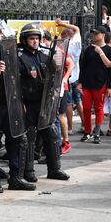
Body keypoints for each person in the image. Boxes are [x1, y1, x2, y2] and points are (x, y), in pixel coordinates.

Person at [0, 15, 35, 192]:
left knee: (18, 138)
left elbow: (14, 77)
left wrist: (20, 100)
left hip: (9, 102)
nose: (1, 33)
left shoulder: (3, 50)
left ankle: (16, 178)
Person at [18, 23, 70, 183]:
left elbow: (54, 75)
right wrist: (20, 103)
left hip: (44, 102)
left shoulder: (45, 55)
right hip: (28, 102)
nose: (34, 41)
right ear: (25, 39)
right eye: (31, 38)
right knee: (29, 136)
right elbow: (14, 83)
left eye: (37, 38)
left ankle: (54, 169)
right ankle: (28, 171)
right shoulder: (19, 57)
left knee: (52, 133)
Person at [77, 26, 111, 144]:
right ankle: (87, 132)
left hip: (101, 84)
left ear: (103, 35)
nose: (94, 35)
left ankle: (97, 132)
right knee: (87, 108)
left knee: (99, 108)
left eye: (97, 33)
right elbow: (83, 67)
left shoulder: (109, 50)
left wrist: (110, 86)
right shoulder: (89, 49)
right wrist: (80, 82)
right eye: (93, 33)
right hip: (87, 84)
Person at [56, 19, 83, 135]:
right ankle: (84, 124)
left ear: (66, 36)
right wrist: (62, 23)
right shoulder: (77, 41)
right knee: (78, 101)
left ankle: (70, 127)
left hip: (67, 77)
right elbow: (77, 28)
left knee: (68, 103)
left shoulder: (63, 46)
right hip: (76, 75)